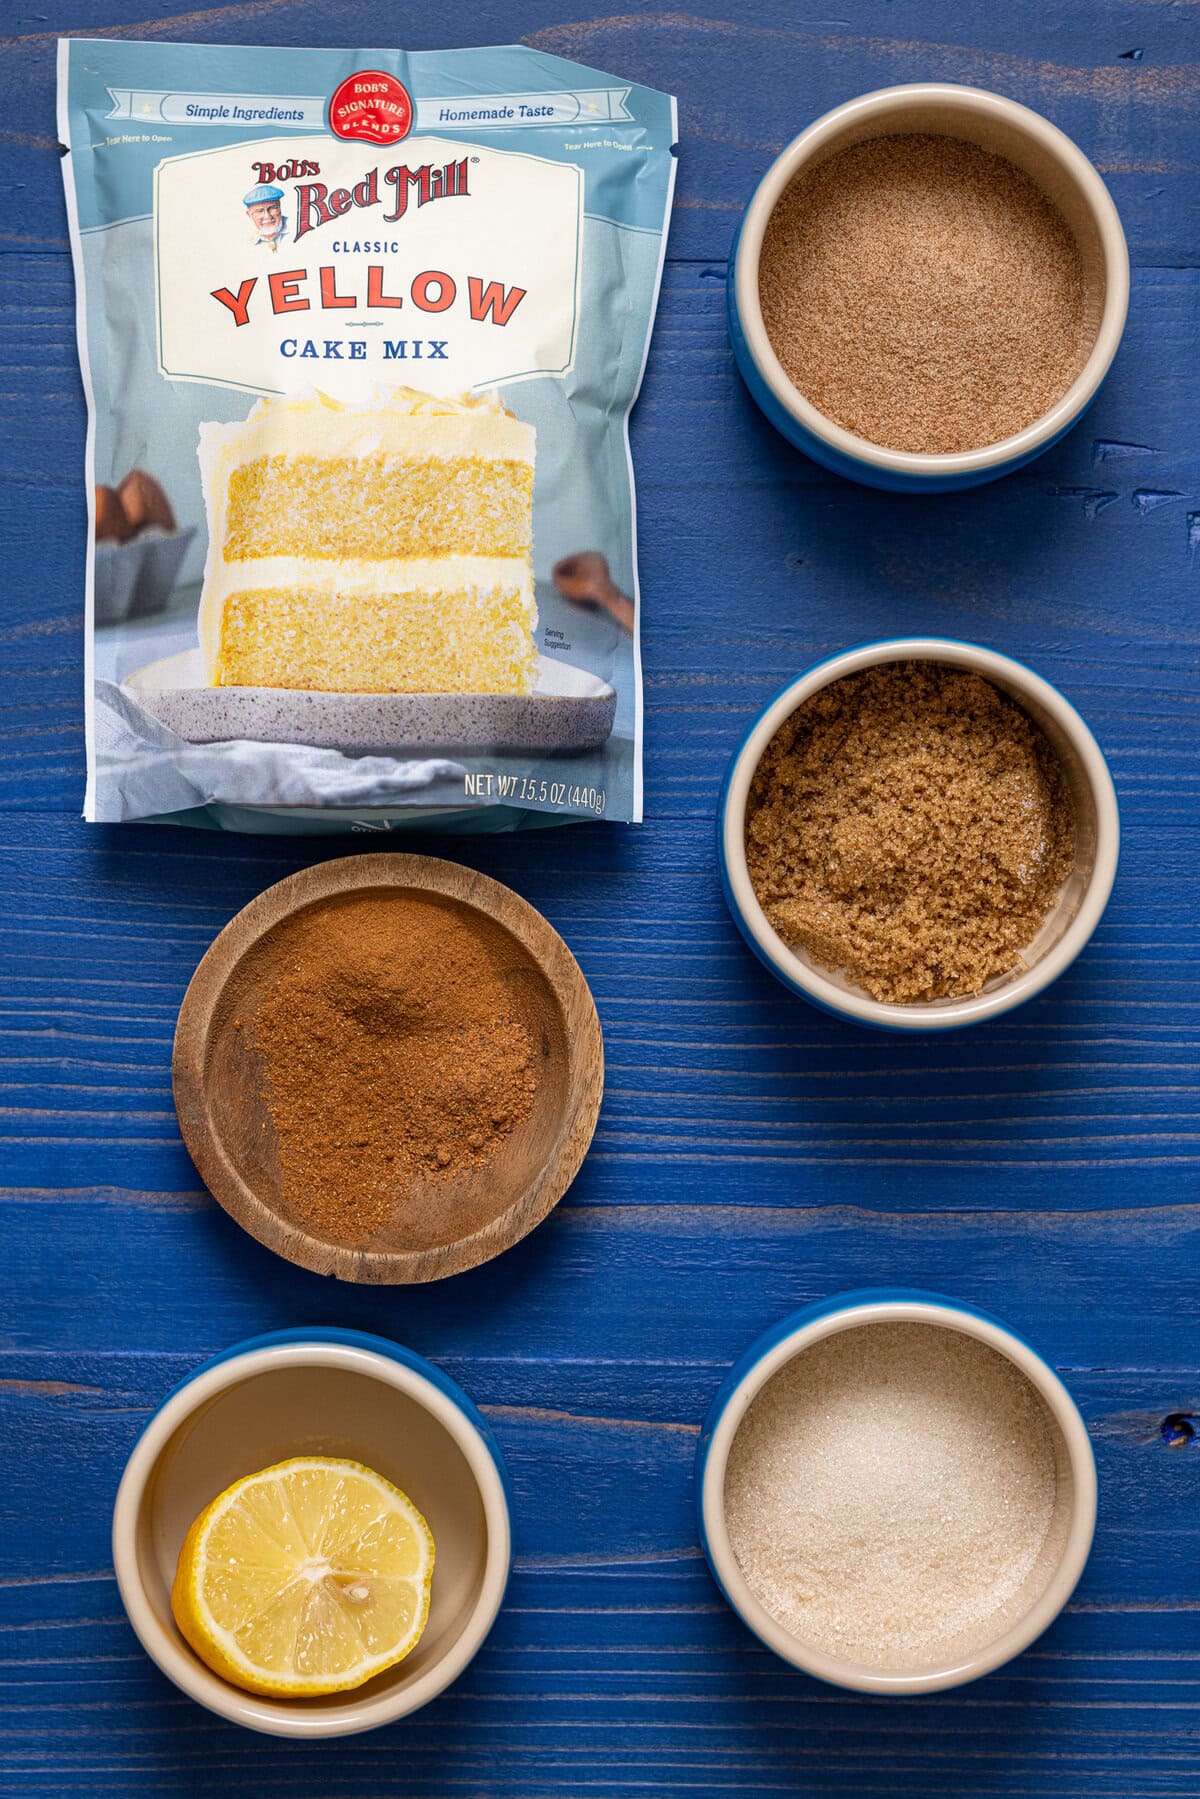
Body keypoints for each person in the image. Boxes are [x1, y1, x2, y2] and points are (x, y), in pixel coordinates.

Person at [243, 183, 288, 251]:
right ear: (249, 215)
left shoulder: (296, 229)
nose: (267, 216)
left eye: (272, 208)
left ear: (279, 208)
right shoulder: (246, 242)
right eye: (260, 211)